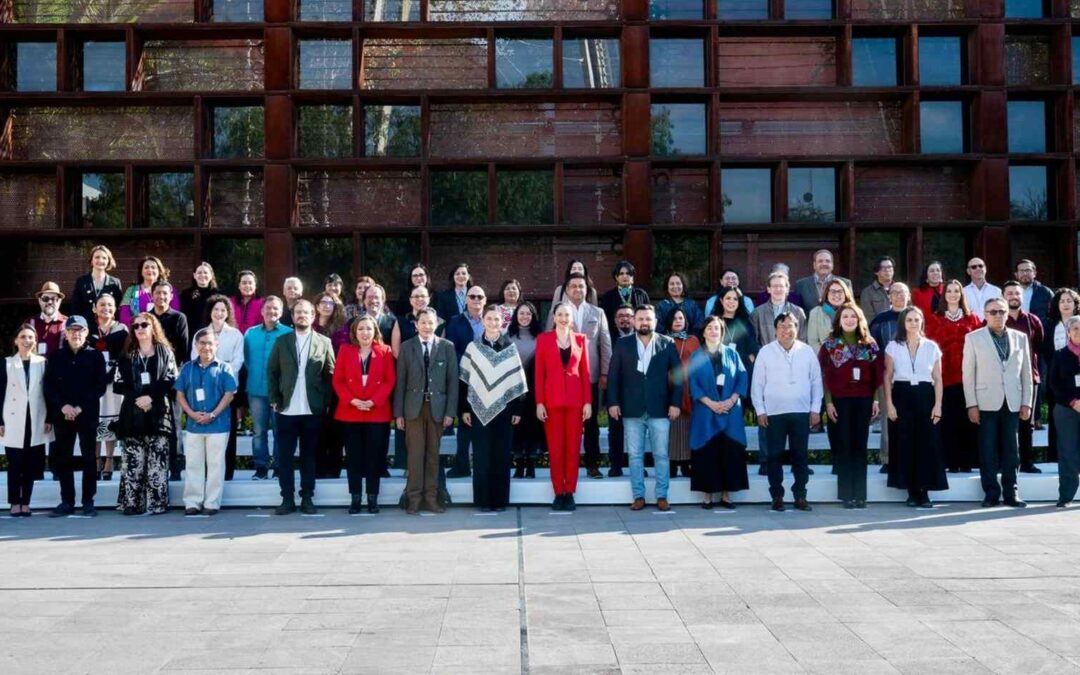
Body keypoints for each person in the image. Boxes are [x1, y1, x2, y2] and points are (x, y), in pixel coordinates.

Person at [607, 304, 683, 511]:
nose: (644, 322)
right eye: (640, 319)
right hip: (631, 409)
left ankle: (662, 496)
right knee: (635, 455)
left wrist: (675, 403)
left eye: (648, 319)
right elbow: (614, 376)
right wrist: (613, 402)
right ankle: (638, 496)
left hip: (660, 409)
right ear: (633, 321)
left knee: (661, 454)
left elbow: (678, 376)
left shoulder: (667, 343)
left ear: (655, 322)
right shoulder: (623, 344)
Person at [963, 297, 1034, 508]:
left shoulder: (1020, 337)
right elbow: (968, 374)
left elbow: (1027, 373)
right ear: (985, 314)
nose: (998, 315)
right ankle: (991, 493)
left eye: (1001, 311)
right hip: (985, 401)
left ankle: (1011, 492)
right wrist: (971, 404)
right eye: (993, 312)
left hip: (1012, 401)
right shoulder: (973, 338)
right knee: (987, 449)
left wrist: (1027, 402)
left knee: (1012, 449)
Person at [267, 299, 336, 515]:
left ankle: (307, 497)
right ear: (293, 315)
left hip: (312, 409)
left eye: (306, 312)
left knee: (309, 456)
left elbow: (330, 374)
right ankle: (287, 499)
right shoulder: (282, 341)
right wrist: (274, 397)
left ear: (313, 316)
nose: (302, 316)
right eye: (298, 312)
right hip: (286, 409)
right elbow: (272, 372)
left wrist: (324, 400)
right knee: (285, 457)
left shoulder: (324, 342)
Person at [751, 312, 822, 512]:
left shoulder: (807, 351)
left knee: (800, 455)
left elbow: (817, 382)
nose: (786, 330)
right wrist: (760, 410)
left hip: (801, 412)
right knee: (774, 456)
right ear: (775, 330)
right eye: (782, 326)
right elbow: (757, 384)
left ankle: (800, 495)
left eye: (791, 326)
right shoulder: (765, 352)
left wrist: (815, 409)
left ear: (797, 329)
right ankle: (777, 496)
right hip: (774, 413)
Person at [459, 305, 526, 512]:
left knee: (501, 455)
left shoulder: (510, 348)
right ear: (483, 321)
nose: (493, 323)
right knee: (481, 455)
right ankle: (483, 501)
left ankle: (499, 501)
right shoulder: (473, 347)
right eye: (489, 319)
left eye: (497, 320)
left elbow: (517, 382)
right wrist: (464, 409)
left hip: (505, 410)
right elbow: (464, 381)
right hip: (478, 410)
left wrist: (517, 410)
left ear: (502, 322)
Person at [548, 273, 612, 479]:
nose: (577, 290)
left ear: (587, 290)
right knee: (564, 426)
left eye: (581, 286)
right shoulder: (560, 312)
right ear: (566, 290)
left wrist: (604, 372)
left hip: (590, 376)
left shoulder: (598, 312)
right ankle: (567, 466)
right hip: (563, 380)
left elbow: (606, 344)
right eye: (573, 286)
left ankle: (592, 464)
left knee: (591, 422)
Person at [114, 313, 178, 516]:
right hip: (132, 414)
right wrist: (138, 399)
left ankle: (156, 504)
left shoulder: (165, 352)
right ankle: (132, 503)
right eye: (135, 326)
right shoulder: (126, 355)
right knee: (133, 462)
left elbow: (171, 380)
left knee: (156, 463)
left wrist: (151, 398)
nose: (140, 328)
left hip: (158, 413)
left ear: (153, 327)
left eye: (144, 324)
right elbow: (118, 384)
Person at [394, 308, 457, 514]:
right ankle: (414, 499)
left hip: (437, 409)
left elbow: (452, 383)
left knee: (433, 455)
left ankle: (431, 498)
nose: (427, 326)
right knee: (415, 455)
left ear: (436, 324)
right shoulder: (406, 347)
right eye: (423, 322)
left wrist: (450, 412)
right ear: (416, 324)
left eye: (431, 322)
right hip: (413, 408)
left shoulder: (447, 347)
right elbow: (400, 382)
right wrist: (399, 413)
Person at [884, 306, 948, 507]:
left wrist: (938, 406)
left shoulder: (931, 347)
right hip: (902, 396)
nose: (913, 323)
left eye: (916, 319)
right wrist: (889, 405)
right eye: (909, 319)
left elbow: (938, 378)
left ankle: (925, 491)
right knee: (905, 443)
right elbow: (887, 377)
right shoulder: (892, 346)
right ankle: (911, 491)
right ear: (903, 322)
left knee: (927, 444)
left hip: (925, 395)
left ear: (922, 322)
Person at [44, 316, 107, 517]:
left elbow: (99, 387)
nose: (76, 334)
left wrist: (79, 408)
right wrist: (63, 406)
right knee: (64, 458)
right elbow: (49, 386)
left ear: (87, 333)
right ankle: (67, 501)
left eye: (80, 330)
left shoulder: (96, 356)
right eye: (72, 330)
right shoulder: (55, 357)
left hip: (86, 414)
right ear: (66, 333)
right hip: (62, 415)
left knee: (89, 457)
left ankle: (88, 501)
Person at [820, 303, 881, 508]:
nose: (849, 320)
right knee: (844, 445)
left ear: (859, 319)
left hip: (863, 399)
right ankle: (846, 494)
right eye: (845, 316)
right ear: (839, 320)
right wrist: (828, 403)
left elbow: (876, 375)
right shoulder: (830, 345)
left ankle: (860, 495)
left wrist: (875, 400)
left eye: (853, 316)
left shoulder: (869, 344)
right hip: (839, 401)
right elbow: (824, 376)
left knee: (859, 446)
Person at [333, 315, 396, 514]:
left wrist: (374, 401)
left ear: (375, 331)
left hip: (377, 412)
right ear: (354, 332)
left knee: (374, 457)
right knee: (353, 457)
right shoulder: (345, 350)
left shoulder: (385, 351)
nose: (365, 332)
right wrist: (352, 400)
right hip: (350, 411)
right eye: (361, 329)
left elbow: (389, 380)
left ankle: (372, 498)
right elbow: (338, 380)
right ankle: (355, 498)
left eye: (369, 329)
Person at [534, 302, 592, 510]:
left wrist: (588, 401)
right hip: (552, 402)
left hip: (576, 402)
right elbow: (539, 373)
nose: (564, 318)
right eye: (560, 314)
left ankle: (570, 492)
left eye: (567, 315)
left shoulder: (581, 339)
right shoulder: (544, 339)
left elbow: (585, 372)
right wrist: (539, 402)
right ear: (554, 317)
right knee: (556, 449)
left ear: (572, 318)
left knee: (573, 448)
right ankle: (559, 491)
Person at [688, 316, 749, 509]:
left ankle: (725, 495)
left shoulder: (732, 354)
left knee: (729, 453)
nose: (714, 331)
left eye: (717, 328)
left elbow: (742, 377)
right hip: (706, 412)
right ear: (704, 332)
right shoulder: (695, 356)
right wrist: (711, 403)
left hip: (730, 411)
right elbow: (693, 384)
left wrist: (731, 400)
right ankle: (707, 496)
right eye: (710, 328)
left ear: (722, 332)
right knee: (708, 453)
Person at [175, 328, 237, 516]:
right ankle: (192, 502)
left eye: (210, 343)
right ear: (196, 346)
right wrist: (192, 414)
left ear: (216, 345)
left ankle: (212, 502)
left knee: (216, 465)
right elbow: (180, 394)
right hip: (194, 426)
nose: (206, 347)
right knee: (193, 464)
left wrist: (213, 415)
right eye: (202, 343)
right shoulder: (187, 368)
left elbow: (229, 394)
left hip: (218, 425)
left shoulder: (225, 367)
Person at [926, 280, 982, 473]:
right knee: (948, 422)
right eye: (948, 291)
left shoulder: (972, 319)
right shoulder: (934, 319)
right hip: (944, 379)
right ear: (944, 295)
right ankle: (950, 462)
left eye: (956, 291)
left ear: (961, 294)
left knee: (968, 421)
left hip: (969, 380)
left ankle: (967, 462)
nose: (952, 294)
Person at [1, 325, 54, 517]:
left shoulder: (42, 362)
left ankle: (26, 502)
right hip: (13, 418)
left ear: (35, 341)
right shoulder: (6, 363)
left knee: (31, 464)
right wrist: (0, 420)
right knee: (15, 464)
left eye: (31, 337)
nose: (27, 341)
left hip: (36, 417)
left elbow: (47, 392)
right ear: (16, 340)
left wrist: (49, 417)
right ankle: (15, 502)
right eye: (23, 337)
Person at [193, 295, 244, 481]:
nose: (219, 313)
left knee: (227, 431)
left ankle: (228, 472)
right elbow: (195, 359)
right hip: (204, 388)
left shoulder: (236, 334)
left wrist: (220, 372)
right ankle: (207, 473)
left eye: (223, 310)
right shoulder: (200, 334)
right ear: (210, 312)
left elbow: (238, 361)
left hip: (227, 389)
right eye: (216, 309)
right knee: (207, 431)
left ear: (228, 312)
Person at [243, 296, 291, 480]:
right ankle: (261, 467)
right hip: (256, 390)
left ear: (281, 311)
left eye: (276, 308)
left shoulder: (288, 333)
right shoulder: (250, 333)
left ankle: (279, 466)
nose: (271, 312)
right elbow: (247, 360)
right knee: (258, 431)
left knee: (280, 430)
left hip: (280, 392)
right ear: (262, 311)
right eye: (268, 308)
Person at [444, 284, 488, 478]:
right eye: (472, 297)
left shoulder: (491, 320)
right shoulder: (455, 322)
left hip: (488, 379)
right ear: (466, 300)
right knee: (464, 421)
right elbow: (453, 349)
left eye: (480, 297)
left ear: (485, 300)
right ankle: (462, 464)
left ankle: (481, 464)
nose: (476, 300)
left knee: (484, 423)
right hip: (464, 377)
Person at [869, 282, 912, 472]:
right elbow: (872, 349)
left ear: (909, 295)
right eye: (895, 293)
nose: (899, 296)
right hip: (887, 376)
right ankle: (887, 459)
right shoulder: (880, 320)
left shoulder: (915, 317)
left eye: (903, 293)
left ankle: (909, 457)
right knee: (888, 419)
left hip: (912, 377)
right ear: (889, 297)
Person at [1003, 280, 1045, 474]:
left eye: (1017, 293)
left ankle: (1027, 463)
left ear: (1022, 297)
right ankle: (1008, 463)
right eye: (1009, 293)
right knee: (1006, 422)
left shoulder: (1032, 320)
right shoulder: (995, 320)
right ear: (1003, 296)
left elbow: (1038, 345)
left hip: (1029, 377)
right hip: (1004, 379)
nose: (1013, 296)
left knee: (1026, 422)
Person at [149, 280, 189, 480]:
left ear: (171, 296)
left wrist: (171, 373)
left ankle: (175, 466)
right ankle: (156, 465)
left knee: (173, 423)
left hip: (173, 377)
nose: (161, 297)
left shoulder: (179, 318)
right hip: (149, 379)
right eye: (157, 293)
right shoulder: (146, 319)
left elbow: (183, 349)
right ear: (151, 295)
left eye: (165, 293)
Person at [89, 293, 127, 481]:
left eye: (110, 305)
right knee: (96, 418)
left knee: (111, 417)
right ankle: (96, 460)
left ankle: (109, 460)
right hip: (94, 379)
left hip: (114, 379)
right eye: (102, 305)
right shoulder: (89, 330)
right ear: (95, 308)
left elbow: (127, 354)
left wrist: (114, 371)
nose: (106, 308)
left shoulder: (122, 329)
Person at [1044, 287, 1080, 461]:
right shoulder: (1050, 325)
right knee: (1056, 417)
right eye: (1062, 301)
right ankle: (1054, 457)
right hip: (1057, 378)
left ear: (1075, 304)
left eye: (1069, 301)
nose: (1065, 304)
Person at [1048, 316, 1080, 508]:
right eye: (1074, 328)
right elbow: (1054, 383)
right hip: (1066, 409)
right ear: (1068, 332)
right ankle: (1066, 496)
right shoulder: (1060, 354)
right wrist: (1073, 401)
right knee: (1068, 452)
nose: (1077, 331)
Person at [508, 302, 542, 479]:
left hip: (535, 388)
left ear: (533, 316)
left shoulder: (541, 337)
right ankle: (519, 463)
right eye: (521, 313)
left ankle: (531, 464)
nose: (525, 317)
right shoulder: (508, 337)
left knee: (533, 426)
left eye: (528, 314)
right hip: (514, 389)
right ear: (516, 315)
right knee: (517, 426)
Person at [665, 308, 699, 478]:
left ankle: (686, 464)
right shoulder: (662, 340)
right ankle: (671, 465)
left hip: (689, 388)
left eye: (681, 318)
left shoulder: (693, 340)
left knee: (687, 428)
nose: (678, 321)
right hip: (669, 388)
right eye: (674, 318)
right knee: (671, 430)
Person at [70, 245, 123, 326]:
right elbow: (75, 308)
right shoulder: (81, 281)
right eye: (97, 257)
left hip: (108, 328)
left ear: (108, 261)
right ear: (91, 260)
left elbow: (118, 308)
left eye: (104, 258)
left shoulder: (115, 283)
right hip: (86, 327)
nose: (100, 260)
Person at [750, 272, 808, 345]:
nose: (778, 289)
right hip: (767, 355)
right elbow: (753, 341)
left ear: (787, 289)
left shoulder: (798, 312)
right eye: (774, 286)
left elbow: (803, 338)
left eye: (781, 286)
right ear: (768, 289)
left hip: (792, 355)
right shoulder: (758, 313)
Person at [119, 256, 179, 324]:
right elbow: (123, 317)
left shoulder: (170, 290)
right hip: (138, 330)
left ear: (159, 271)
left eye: (153, 267)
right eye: (146, 267)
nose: (150, 270)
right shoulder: (131, 291)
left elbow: (175, 314)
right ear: (141, 271)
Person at [599, 260, 650, 335]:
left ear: (632, 277)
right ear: (616, 277)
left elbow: (648, 314)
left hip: (638, 334)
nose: (624, 276)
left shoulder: (641, 294)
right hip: (615, 336)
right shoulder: (608, 296)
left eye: (628, 273)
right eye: (621, 274)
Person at [807, 279, 855, 357]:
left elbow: (862, 336)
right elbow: (813, 342)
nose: (836, 295)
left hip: (851, 359)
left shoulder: (855, 312)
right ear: (826, 293)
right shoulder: (815, 312)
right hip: (826, 360)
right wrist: (828, 357)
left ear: (845, 293)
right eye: (833, 291)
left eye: (840, 291)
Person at [715, 287, 757, 369]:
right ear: (721, 300)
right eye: (728, 298)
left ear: (739, 302)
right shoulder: (714, 322)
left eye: (735, 299)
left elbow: (752, 347)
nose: (731, 301)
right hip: (720, 367)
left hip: (743, 368)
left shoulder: (745, 323)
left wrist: (749, 360)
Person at [26, 281, 67, 356]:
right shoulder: (29, 323)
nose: (50, 302)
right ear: (39, 300)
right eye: (45, 298)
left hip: (58, 367)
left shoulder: (68, 323)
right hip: (35, 367)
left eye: (54, 299)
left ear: (59, 301)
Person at [656, 271, 704, 335]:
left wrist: (690, 339)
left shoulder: (692, 305)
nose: (675, 286)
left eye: (678, 283)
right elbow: (659, 327)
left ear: (683, 285)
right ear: (667, 287)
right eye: (672, 284)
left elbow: (699, 324)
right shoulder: (661, 306)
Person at [179, 262, 218, 335]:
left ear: (211, 275)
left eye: (205, 272)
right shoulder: (186, 294)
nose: (202, 275)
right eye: (199, 272)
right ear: (194, 275)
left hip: (212, 333)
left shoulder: (218, 294)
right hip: (190, 333)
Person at [859, 256, 895, 320]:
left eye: (889, 267)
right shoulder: (867, 292)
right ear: (876, 272)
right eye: (883, 268)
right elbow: (868, 318)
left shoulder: (901, 289)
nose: (887, 270)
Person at [230, 270, 264, 336]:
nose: (247, 285)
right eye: (244, 283)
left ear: (255, 286)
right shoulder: (230, 302)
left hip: (255, 340)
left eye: (250, 283)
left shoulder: (263, 303)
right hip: (233, 340)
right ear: (239, 286)